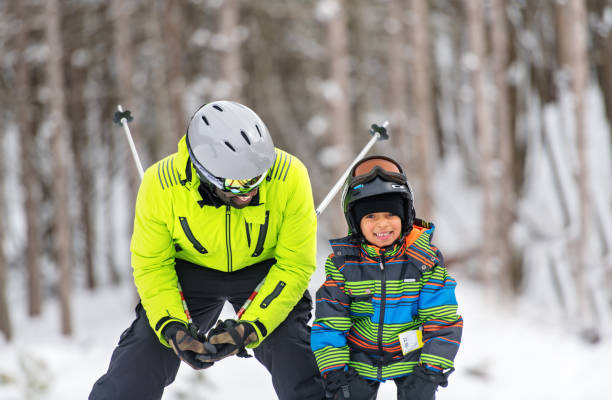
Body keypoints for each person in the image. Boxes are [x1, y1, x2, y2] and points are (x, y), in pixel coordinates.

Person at [90, 100, 325, 399]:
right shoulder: (160, 185)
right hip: (190, 273)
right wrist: (171, 326)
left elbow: (294, 265)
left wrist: (250, 328)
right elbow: (152, 266)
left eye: (258, 175)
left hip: (265, 271)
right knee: (141, 357)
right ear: (206, 171)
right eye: (240, 182)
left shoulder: (289, 175)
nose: (252, 189)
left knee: (293, 353)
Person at [311, 155, 463, 400]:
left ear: (404, 217)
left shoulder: (423, 260)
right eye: (370, 217)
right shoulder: (344, 265)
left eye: (390, 215)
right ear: (355, 222)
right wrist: (335, 371)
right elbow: (330, 321)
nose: (382, 224)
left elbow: (441, 319)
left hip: (412, 358)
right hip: (358, 358)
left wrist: (431, 371)